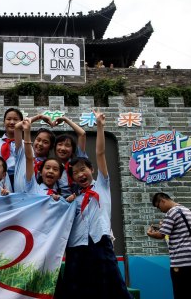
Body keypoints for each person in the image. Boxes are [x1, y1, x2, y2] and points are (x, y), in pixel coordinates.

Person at [60, 109, 132, 299]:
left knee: (114, 287)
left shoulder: (101, 185)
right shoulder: (73, 198)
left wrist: (100, 126)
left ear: (91, 169)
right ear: (73, 178)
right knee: (76, 290)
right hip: (76, 247)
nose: (80, 174)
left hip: (100, 241)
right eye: (75, 173)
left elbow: (100, 153)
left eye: (83, 169)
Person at [147, 192, 191, 299]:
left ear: (163, 200)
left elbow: (161, 234)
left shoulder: (171, 212)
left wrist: (150, 233)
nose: (160, 210)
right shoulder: (185, 210)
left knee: (181, 294)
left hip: (181, 262)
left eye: (159, 206)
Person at [52, 116, 87, 196]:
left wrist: (66, 119)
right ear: (55, 148)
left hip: (79, 201)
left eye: (67, 145)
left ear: (73, 149)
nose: (63, 148)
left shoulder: (79, 162)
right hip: (59, 203)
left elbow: (82, 134)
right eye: (60, 145)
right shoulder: (52, 166)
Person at [0, 108, 23, 189]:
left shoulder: (25, 144)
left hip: (21, 179)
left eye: (15, 119)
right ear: (4, 122)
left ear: (21, 122)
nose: (12, 122)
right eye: (9, 119)